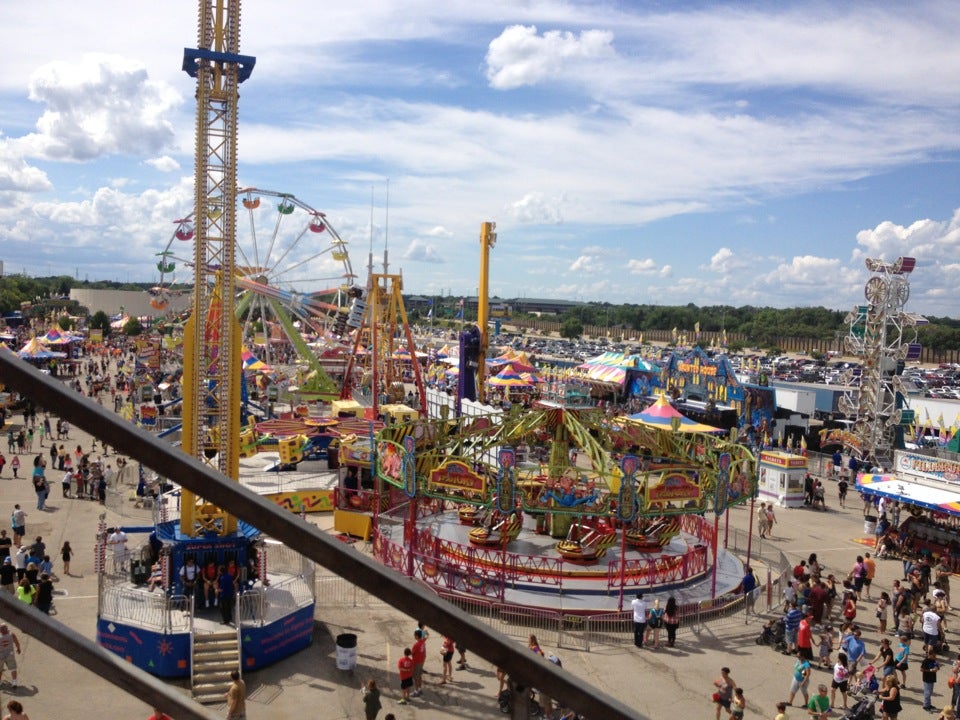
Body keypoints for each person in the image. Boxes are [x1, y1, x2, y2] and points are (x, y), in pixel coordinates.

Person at [921, 647, 940, 711]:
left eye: (935, 655)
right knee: (927, 693)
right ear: (930, 654)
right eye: (934, 655)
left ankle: (928, 704)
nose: (935, 656)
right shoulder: (925, 661)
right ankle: (926, 706)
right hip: (927, 679)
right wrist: (931, 670)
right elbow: (922, 669)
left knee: (930, 692)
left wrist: (937, 667)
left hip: (932, 679)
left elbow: (937, 667)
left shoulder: (934, 660)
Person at [410, 628, 427, 697]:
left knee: (416, 677)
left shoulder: (416, 645)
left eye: (415, 635)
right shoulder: (422, 642)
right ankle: (419, 689)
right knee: (419, 676)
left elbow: (412, 653)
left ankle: (416, 690)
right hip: (421, 661)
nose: (414, 636)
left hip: (416, 662)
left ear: (417, 636)